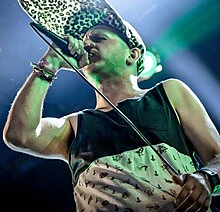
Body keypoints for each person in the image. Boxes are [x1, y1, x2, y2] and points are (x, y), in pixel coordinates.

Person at [2, 15, 220, 211]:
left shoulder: (167, 93)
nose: (87, 44)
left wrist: (207, 176)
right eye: (86, 40)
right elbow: (19, 135)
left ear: (132, 55)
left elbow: (217, 156)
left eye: (99, 38)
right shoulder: (74, 125)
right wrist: (50, 63)